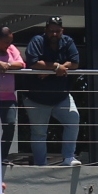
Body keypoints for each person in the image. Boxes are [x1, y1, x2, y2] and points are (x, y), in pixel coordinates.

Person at [20, 17, 84, 167]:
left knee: (73, 120)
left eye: (57, 31)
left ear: (62, 31)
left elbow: (75, 62)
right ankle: (40, 164)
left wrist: (53, 70)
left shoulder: (67, 41)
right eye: (51, 31)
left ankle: (69, 157)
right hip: (36, 97)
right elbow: (33, 63)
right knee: (39, 133)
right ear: (45, 30)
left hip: (61, 96)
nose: (54, 34)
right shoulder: (37, 41)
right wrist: (56, 67)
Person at [0, 25, 26, 164]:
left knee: (10, 124)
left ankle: (3, 156)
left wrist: (7, 65)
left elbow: (21, 64)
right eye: (6, 42)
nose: (8, 45)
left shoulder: (12, 49)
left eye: (10, 42)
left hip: (8, 97)